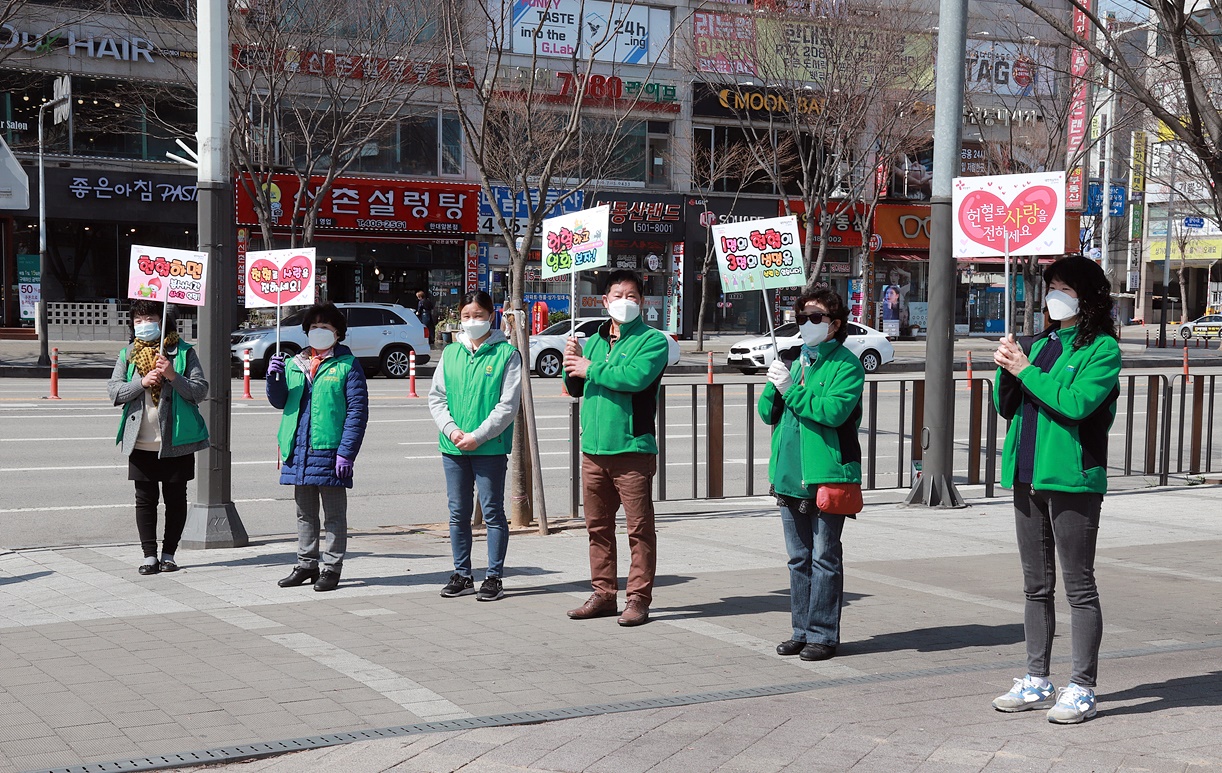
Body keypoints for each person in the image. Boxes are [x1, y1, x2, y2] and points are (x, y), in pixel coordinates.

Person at [991, 255, 1122, 724]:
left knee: (1079, 586)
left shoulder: (1102, 349)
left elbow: (1075, 404)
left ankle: (1082, 686)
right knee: (1035, 586)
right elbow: (1008, 406)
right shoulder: (1040, 343)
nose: (1055, 297)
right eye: (1051, 288)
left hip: (1072, 479)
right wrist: (1007, 366)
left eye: (1065, 288)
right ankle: (1036, 679)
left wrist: (1025, 369)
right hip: (1027, 475)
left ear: (1088, 296)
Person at [758, 288, 864, 662]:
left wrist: (791, 390)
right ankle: (800, 631)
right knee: (798, 559)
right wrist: (774, 385)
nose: (807, 324)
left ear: (834, 324)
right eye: (802, 318)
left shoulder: (847, 365)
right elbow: (767, 414)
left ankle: (822, 634)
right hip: (789, 473)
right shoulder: (793, 359)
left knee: (824, 558)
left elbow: (832, 412)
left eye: (816, 317)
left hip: (827, 474)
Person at [562, 269, 670, 626]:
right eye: (618, 296)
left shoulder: (653, 341)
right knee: (598, 528)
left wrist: (589, 368)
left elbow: (634, 378)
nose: (625, 302)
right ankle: (603, 594)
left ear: (643, 301)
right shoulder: (593, 340)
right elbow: (576, 387)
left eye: (632, 296)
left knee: (639, 530)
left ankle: (638, 598)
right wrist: (570, 363)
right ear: (605, 301)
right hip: (594, 450)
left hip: (632, 449)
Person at [267, 302, 369, 592]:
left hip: (330, 450)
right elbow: (280, 401)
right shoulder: (294, 363)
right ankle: (306, 564)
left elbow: (357, 412)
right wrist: (274, 378)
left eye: (325, 327)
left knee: (334, 515)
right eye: (313, 327)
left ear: (338, 333)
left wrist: (346, 452)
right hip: (298, 450)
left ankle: (332, 568)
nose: (318, 331)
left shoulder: (347, 365)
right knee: (305, 513)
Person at [429, 291, 522, 602]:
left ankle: (494, 577)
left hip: (489, 447)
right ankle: (462, 574)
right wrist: (452, 431)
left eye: (479, 315)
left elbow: (507, 406)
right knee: (458, 513)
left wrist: (478, 436)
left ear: (491, 316)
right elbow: (437, 398)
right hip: (453, 447)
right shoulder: (450, 353)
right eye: (466, 315)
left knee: (493, 512)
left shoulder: (507, 354)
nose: (472, 321)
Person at [107, 300, 209, 575]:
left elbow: (200, 391)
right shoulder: (128, 354)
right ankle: (149, 556)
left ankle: (169, 554)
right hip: (140, 440)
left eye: (150, 318)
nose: (144, 325)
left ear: (163, 321)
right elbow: (114, 391)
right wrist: (141, 382)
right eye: (138, 321)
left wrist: (173, 375)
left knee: (175, 499)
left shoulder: (184, 352)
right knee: (145, 499)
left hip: (176, 440)